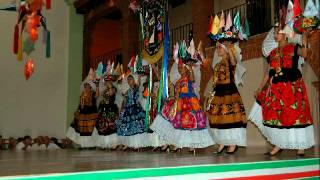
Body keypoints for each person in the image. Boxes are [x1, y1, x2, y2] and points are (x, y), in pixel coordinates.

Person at [249, 23, 315, 156]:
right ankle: (278, 144)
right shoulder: (272, 53)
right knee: (277, 117)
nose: (274, 34)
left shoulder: (293, 47)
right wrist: (260, 88)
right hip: (276, 89)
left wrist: (305, 36)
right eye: (274, 32)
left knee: (296, 115)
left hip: (292, 87)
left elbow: (305, 53)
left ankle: (300, 146)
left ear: (285, 34)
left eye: (277, 32)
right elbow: (268, 73)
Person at [151, 54, 214, 152]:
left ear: (187, 69)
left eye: (182, 68)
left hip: (190, 102)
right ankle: (178, 143)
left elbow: (193, 79)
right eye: (179, 68)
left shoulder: (189, 78)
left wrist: (190, 67)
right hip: (179, 102)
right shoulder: (177, 81)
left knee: (190, 122)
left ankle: (191, 145)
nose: (180, 69)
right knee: (177, 123)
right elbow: (176, 93)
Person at [205, 40, 247, 155]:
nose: (218, 49)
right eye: (217, 47)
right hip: (219, 92)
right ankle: (222, 143)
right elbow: (215, 80)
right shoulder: (217, 65)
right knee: (219, 118)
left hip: (229, 91)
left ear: (226, 49)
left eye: (220, 47)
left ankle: (233, 144)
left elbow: (234, 62)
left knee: (231, 117)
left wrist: (229, 48)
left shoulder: (229, 61)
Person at [66, 70, 99, 149]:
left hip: (91, 113)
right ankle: (84, 145)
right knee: (83, 131)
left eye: (88, 86)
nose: (86, 87)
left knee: (91, 130)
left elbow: (97, 95)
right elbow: (81, 105)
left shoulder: (93, 94)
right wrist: (78, 110)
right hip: (83, 113)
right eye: (85, 86)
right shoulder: (82, 95)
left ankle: (91, 145)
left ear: (91, 87)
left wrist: (97, 86)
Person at [116, 74, 149, 150]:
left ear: (134, 80)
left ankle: (138, 144)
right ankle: (129, 143)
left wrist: (139, 78)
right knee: (128, 126)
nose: (129, 81)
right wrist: (122, 108)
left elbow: (138, 84)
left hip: (135, 108)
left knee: (136, 125)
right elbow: (125, 100)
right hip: (128, 109)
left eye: (130, 79)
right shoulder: (127, 91)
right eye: (128, 80)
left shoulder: (136, 88)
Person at [94, 74, 119, 149]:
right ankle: (104, 144)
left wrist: (110, 86)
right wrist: (97, 86)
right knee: (102, 126)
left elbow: (111, 95)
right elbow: (97, 96)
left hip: (110, 109)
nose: (105, 82)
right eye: (106, 80)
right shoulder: (104, 90)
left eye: (107, 80)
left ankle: (112, 144)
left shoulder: (113, 89)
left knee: (110, 126)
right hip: (103, 108)